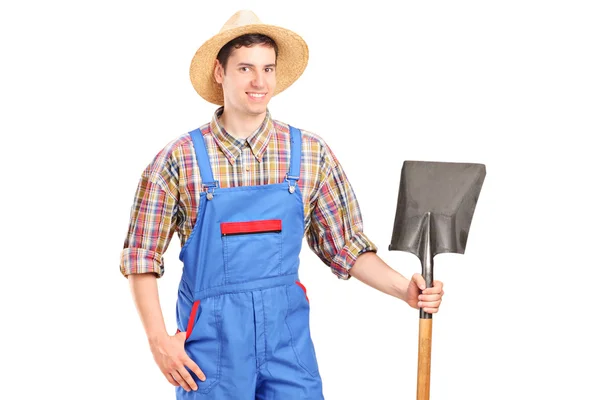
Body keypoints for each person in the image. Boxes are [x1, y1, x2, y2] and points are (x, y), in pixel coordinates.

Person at [120, 9, 444, 399]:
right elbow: (141, 256)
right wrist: (158, 340)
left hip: (287, 343)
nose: (259, 82)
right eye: (245, 69)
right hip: (212, 348)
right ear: (219, 73)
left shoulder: (310, 153)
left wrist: (403, 289)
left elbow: (344, 245)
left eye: (268, 69)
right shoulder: (180, 158)